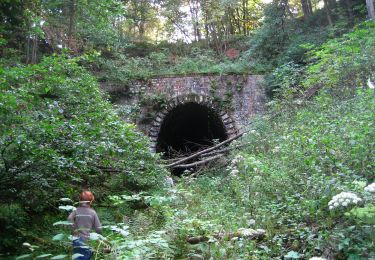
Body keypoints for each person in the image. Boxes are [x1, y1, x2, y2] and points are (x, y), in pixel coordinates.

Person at [68, 190, 102, 260]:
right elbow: (99, 228)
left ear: (80, 200)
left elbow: (69, 219)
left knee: (77, 258)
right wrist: (99, 238)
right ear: (91, 201)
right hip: (87, 240)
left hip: (76, 239)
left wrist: (74, 230)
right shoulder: (92, 212)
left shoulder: (76, 210)